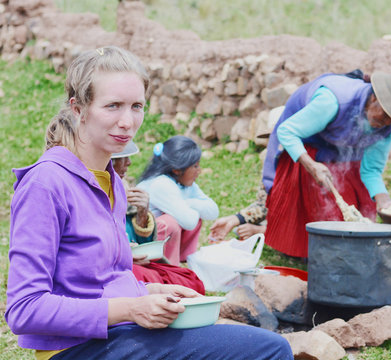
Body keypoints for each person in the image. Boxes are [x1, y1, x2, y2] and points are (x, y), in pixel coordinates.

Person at [5, 45, 292, 360]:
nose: (128, 122)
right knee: (269, 350)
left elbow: (100, 280)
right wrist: (131, 307)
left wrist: (151, 292)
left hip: (119, 334)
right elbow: (24, 310)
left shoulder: (110, 179)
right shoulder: (46, 184)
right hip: (75, 349)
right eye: (113, 106)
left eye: (136, 106)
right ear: (78, 108)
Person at [262, 67, 391, 258]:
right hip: (305, 146)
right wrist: (311, 165)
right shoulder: (332, 101)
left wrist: (384, 200)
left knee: (352, 208)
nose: (386, 122)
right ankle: (296, 245)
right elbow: (287, 131)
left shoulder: (389, 128)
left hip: (340, 152)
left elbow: (371, 169)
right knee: (315, 194)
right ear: (374, 98)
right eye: (385, 114)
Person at [111, 141, 205, 294]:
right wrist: (122, 251)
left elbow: (136, 240)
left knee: (190, 280)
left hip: (134, 262)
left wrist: (142, 213)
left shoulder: (121, 186)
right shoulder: (87, 192)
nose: (129, 162)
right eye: (123, 157)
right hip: (113, 267)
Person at [137, 135, 219, 264]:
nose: (199, 171)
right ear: (176, 169)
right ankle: (165, 267)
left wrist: (188, 203)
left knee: (189, 215)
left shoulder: (183, 183)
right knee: (170, 222)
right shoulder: (160, 184)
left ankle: (178, 259)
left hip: (158, 242)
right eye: (195, 166)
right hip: (140, 243)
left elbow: (213, 211)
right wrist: (189, 207)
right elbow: (189, 221)